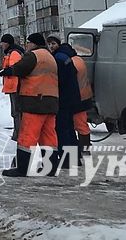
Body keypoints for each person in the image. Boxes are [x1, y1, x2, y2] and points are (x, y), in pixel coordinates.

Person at [0, 32, 59, 177]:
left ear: (34, 43)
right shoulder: (50, 57)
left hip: (35, 102)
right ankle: (49, 168)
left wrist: (6, 71)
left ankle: (22, 168)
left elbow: (19, 68)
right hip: (51, 102)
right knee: (48, 137)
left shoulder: (33, 55)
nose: (27, 45)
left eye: (28, 43)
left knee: (27, 136)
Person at [47, 35, 80, 169]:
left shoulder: (58, 59)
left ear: (58, 44)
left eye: (53, 44)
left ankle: (66, 159)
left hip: (63, 98)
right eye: (49, 44)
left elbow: (58, 80)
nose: (50, 47)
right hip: (71, 97)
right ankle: (74, 158)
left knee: (62, 129)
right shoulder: (66, 56)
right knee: (69, 129)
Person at [63, 40, 95, 161]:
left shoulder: (72, 63)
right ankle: (84, 147)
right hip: (85, 96)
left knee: (79, 124)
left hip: (77, 98)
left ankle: (84, 148)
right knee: (82, 124)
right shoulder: (79, 59)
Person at [0, 34, 25, 141]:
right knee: (16, 112)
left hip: (16, 87)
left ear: (7, 43)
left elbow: (15, 68)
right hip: (14, 87)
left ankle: (18, 135)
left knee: (16, 112)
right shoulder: (13, 52)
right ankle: (18, 134)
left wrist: (5, 72)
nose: (1, 45)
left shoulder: (14, 53)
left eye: (3, 42)